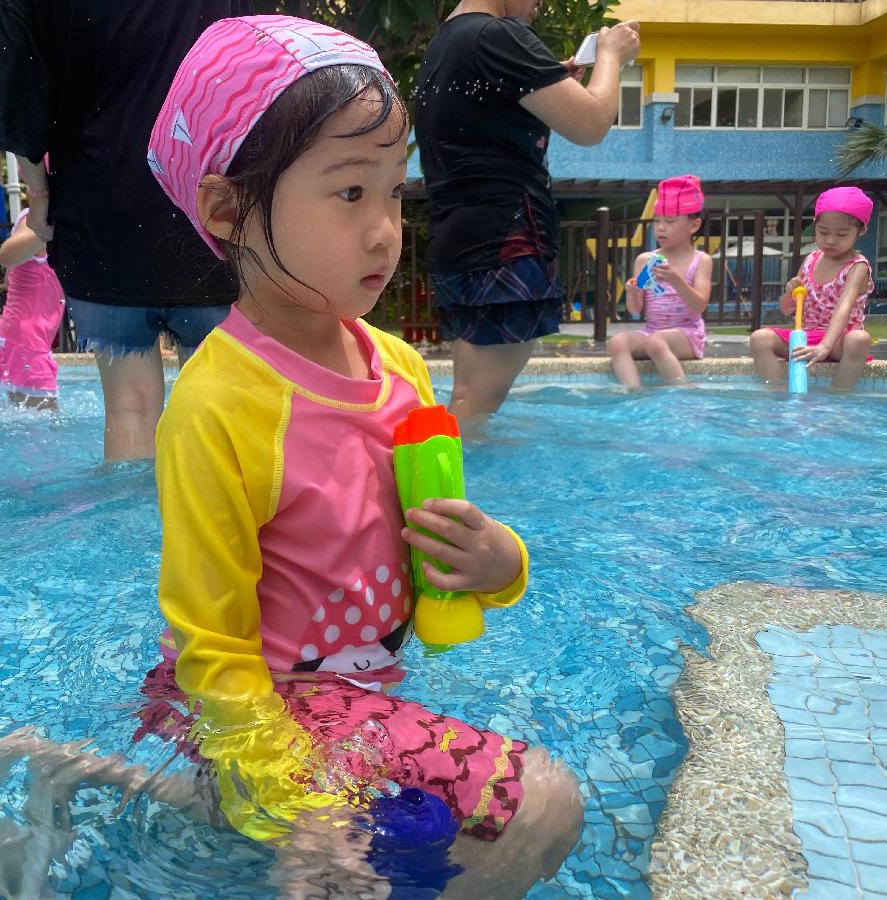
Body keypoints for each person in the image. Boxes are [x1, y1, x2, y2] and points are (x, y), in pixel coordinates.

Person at [144, 15, 583, 896]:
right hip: (262, 698)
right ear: (227, 211)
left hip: (352, 694)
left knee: (426, 836)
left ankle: (103, 779)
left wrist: (501, 563)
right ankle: (219, 795)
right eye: (350, 192)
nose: (387, 231)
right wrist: (294, 799)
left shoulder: (401, 369)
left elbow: (434, 551)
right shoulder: (217, 403)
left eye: (395, 190)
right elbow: (213, 641)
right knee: (542, 803)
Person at [0, 1, 252, 460]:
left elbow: (15, 92)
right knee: (220, 406)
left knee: (128, 410)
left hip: (98, 214)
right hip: (206, 208)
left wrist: (40, 200)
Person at [414, 2, 641, 423]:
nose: (539, 3)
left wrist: (548, 79)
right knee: (477, 404)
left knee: (467, 395)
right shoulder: (498, 36)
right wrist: (611, 55)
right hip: (506, 242)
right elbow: (591, 124)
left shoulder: (446, 43)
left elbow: (480, 121)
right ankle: (441, 467)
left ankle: (445, 461)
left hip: (458, 239)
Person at [750, 186, 875, 391]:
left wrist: (826, 346)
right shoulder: (811, 260)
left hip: (839, 341)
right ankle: (776, 393)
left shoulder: (857, 267)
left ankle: (838, 395)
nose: (831, 240)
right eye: (823, 232)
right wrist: (789, 293)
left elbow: (843, 307)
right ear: (814, 225)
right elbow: (786, 310)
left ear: (860, 230)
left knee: (859, 339)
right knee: (759, 338)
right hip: (807, 337)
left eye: (842, 234)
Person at [608, 175, 713, 388]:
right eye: (657, 221)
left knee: (657, 342)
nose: (661, 227)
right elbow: (635, 309)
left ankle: (681, 390)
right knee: (618, 342)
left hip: (687, 334)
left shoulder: (701, 260)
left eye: (670, 221)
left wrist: (675, 279)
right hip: (652, 331)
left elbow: (699, 305)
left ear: (694, 225)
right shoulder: (645, 260)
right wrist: (633, 293)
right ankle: (633, 391)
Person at [0, 208, 65, 410]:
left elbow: (9, 280)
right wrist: (47, 232)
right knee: (48, 421)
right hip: (27, 341)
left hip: (19, 338)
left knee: (27, 420)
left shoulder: (40, 221)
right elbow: (7, 256)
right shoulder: (36, 220)